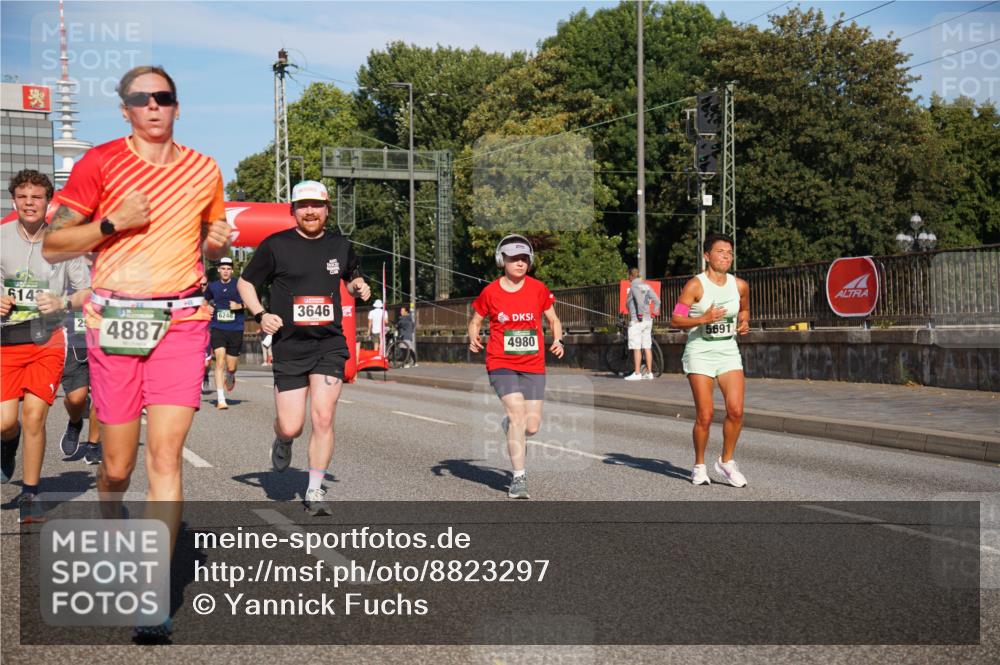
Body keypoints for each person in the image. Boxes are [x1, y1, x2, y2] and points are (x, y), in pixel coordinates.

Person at [42, 65, 230, 641]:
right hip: (116, 320)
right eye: (140, 99)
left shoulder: (204, 169)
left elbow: (213, 230)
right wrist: (110, 221)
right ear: (125, 109)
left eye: (163, 97)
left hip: (182, 319)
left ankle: (153, 593)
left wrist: (215, 239)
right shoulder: (100, 163)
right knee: (118, 467)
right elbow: (54, 246)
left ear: (178, 105)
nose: (153, 106)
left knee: (165, 459)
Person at [237, 180, 370, 517]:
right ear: (293, 211)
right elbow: (245, 282)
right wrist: (261, 314)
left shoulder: (340, 245)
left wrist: (358, 285)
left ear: (327, 210)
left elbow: (352, 276)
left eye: (317, 205)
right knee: (292, 424)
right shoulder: (275, 245)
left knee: (323, 417)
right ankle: (283, 439)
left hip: (329, 344)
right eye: (303, 206)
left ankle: (313, 489)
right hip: (290, 346)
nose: (310, 211)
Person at [1, 170, 91, 523]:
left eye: (36, 197)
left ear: (47, 203)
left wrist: (63, 304)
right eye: (23, 197)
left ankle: (31, 493)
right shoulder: (2, 236)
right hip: (6, 341)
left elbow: (86, 292)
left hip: (47, 340)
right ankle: (9, 443)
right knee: (7, 422)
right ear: (14, 201)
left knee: (35, 416)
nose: (29, 203)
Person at [467, 234, 564, 499]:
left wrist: (558, 338)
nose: (520, 263)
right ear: (502, 260)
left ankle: (510, 425)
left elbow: (553, 319)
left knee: (531, 426)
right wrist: (473, 335)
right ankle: (519, 478)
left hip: (533, 363)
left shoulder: (538, 289)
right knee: (518, 415)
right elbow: (475, 320)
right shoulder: (491, 292)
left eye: (524, 259)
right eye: (514, 258)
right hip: (501, 362)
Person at [670, 233, 750, 487]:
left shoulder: (740, 285)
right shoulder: (696, 285)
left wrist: (744, 322)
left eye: (729, 252)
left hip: (727, 351)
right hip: (700, 353)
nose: (726, 256)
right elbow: (676, 318)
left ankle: (726, 461)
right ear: (707, 255)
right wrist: (703, 319)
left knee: (736, 411)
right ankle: (699, 465)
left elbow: (745, 308)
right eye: (720, 252)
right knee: (705, 415)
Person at [59, 257, 102, 466]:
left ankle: (94, 444)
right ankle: (75, 422)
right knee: (76, 399)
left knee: (101, 398)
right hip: (75, 341)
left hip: (105, 341)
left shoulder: (111, 262)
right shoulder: (68, 262)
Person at [204, 256, 245, 409]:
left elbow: (251, 302)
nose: (226, 271)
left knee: (231, 365)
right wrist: (207, 307)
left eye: (228, 269)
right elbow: (204, 300)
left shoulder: (239, 285)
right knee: (219, 359)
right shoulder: (213, 286)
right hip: (218, 327)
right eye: (223, 268)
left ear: (232, 270)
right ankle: (221, 399)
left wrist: (239, 305)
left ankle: (231, 375)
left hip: (236, 328)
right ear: (219, 270)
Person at [624, 267, 661, 381]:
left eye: (628, 275)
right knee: (647, 346)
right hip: (648, 320)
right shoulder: (645, 285)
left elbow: (639, 301)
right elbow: (657, 301)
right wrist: (654, 312)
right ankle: (649, 373)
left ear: (631, 276)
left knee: (636, 347)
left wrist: (639, 315)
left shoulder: (634, 285)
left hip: (637, 321)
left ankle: (637, 373)